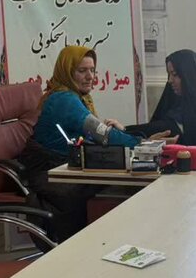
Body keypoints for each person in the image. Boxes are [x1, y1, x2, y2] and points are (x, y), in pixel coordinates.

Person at [20, 45, 143, 242]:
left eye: (92, 70)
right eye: (82, 70)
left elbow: (96, 135)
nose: (90, 76)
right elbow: (103, 135)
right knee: (126, 187)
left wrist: (130, 136)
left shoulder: (73, 96)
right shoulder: (65, 100)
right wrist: (143, 143)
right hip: (53, 175)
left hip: (67, 168)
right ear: (67, 72)